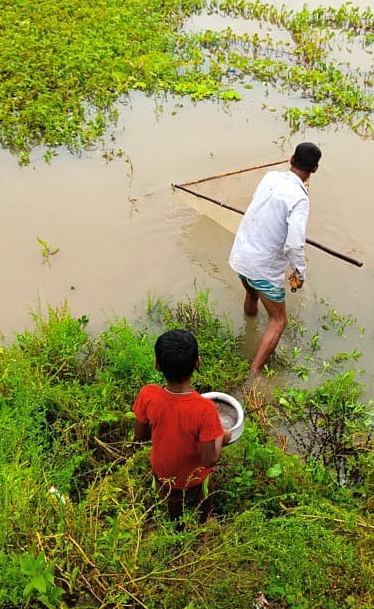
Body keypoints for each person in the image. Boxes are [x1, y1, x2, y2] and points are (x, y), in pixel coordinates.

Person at [228, 141, 321, 375]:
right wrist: (300, 272)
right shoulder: (300, 199)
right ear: (315, 169)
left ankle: (249, 330)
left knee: (251, 293)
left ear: (291, 159)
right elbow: (294, 244)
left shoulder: (270, 177)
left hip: (241, 254)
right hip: (263, 266)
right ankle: (254, 372)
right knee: (279, 320)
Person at [132, 329, 232, 522]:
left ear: (157, 365)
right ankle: (204, 521)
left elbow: (140, 435)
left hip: (162, 473)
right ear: (198, 363)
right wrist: (222, 436)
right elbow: (209, 459)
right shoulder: (206, 409)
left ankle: (176, 528)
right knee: (206, 491)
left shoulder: (148, 395)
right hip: (194, 477)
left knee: (172, 503)